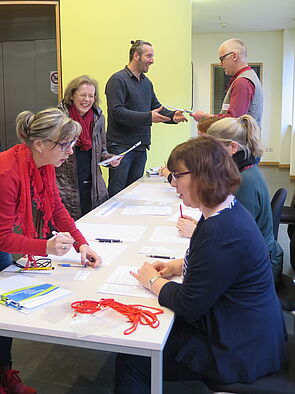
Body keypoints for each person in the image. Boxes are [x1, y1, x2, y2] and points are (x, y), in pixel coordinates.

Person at [114, 135, 287, 393]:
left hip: (239, 348)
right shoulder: (225, 210)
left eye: (177, 176)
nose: (173, 184)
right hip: (248, 330)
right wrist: (175, 266)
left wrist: (152, 281)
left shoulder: (221, 232)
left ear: (201, 176)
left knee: (135, 357)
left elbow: (187, 304)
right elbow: (216, 263)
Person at [0, 108, 102, 394]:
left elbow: (56, 208)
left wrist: (82, 243)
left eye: (72, 144)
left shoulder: (42, 165)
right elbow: (3, 237)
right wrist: (44, 246)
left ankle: (4, 373)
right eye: (65, 145)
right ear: (40, 144)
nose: (70, 152)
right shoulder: (7, 172)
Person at [177, 115, 283, 282]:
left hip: (260, 267)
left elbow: (236, 239)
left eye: (212, 149)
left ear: (233, 147)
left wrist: (196, 233)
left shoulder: (244, 182)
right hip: (257, 257)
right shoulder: (245, 171)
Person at [105, 39, 187, 197]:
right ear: (136, 55)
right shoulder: (117, 80)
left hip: (140, 147)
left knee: (134, 192)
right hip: (121, 148)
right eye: (149, 56)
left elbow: (156, 107)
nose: (152, 60)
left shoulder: (146, 83)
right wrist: (149, 117)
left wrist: (172, 116)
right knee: (117, 194)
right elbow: (117, 112)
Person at [56, 75, 122, 220]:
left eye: (91, 96)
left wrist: (110, 159)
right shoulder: (59, 118)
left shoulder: (98, 118)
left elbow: (102, 151)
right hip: (65, 187)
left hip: (92, 185)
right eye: (83, 95)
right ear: (72, 95)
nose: (87, 100)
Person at [191, 38, 263, 127]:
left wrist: (205, 117)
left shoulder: (242, 82)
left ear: (234, 56)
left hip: (239, 140)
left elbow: (233, 122)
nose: (220, 64)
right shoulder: (248, 77)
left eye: (222, 59)